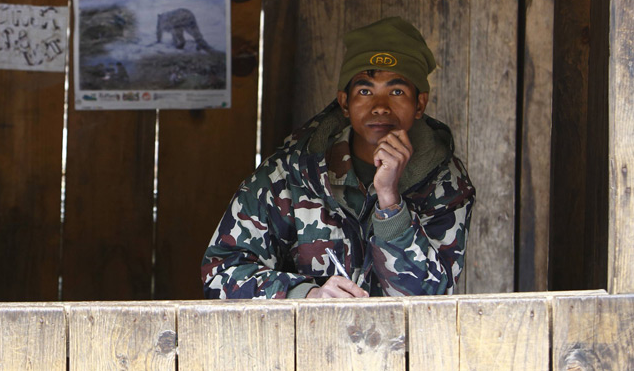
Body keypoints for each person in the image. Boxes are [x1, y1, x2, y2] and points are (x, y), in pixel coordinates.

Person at [202, 16, 474, 299]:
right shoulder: (289, 174)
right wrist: (306, 295)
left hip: (401, 342)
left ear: (419, 103)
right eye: (365, 91)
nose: (380, 107)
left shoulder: (445, 183)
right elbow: (220, 273)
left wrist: (390, 201)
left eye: (397, 91)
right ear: (345, 102)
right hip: (307, 340)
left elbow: (430, 299)